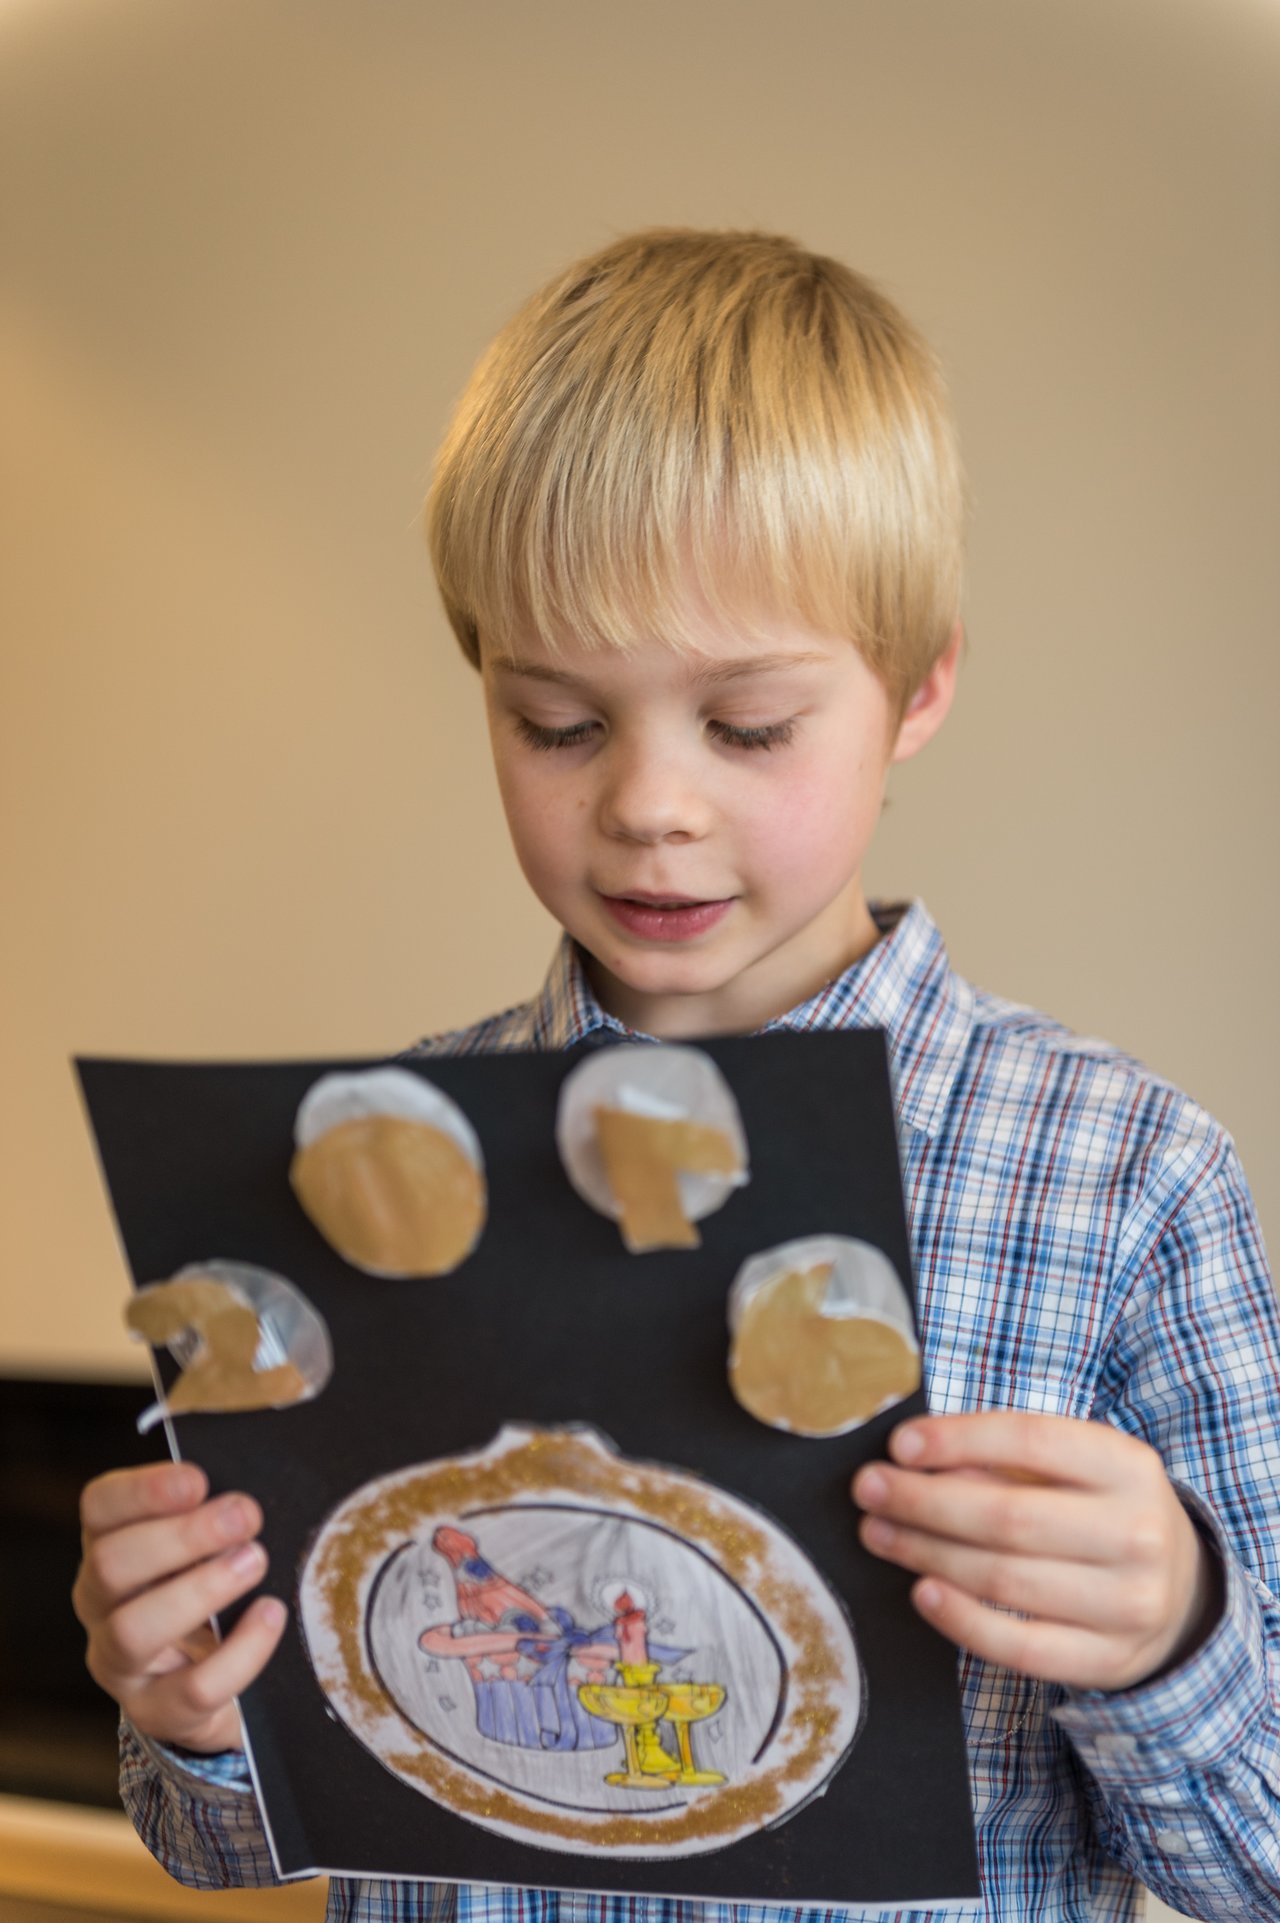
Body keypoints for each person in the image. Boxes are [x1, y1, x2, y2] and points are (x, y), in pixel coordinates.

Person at [72, 229, 1280, 1923]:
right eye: (558, 724)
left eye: (750, 726)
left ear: (918, 685)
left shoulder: (1123, 1178)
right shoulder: (352, 1176)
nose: (647, 806)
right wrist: (188, 1713)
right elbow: (223, 1841)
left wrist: (1176, 1631)